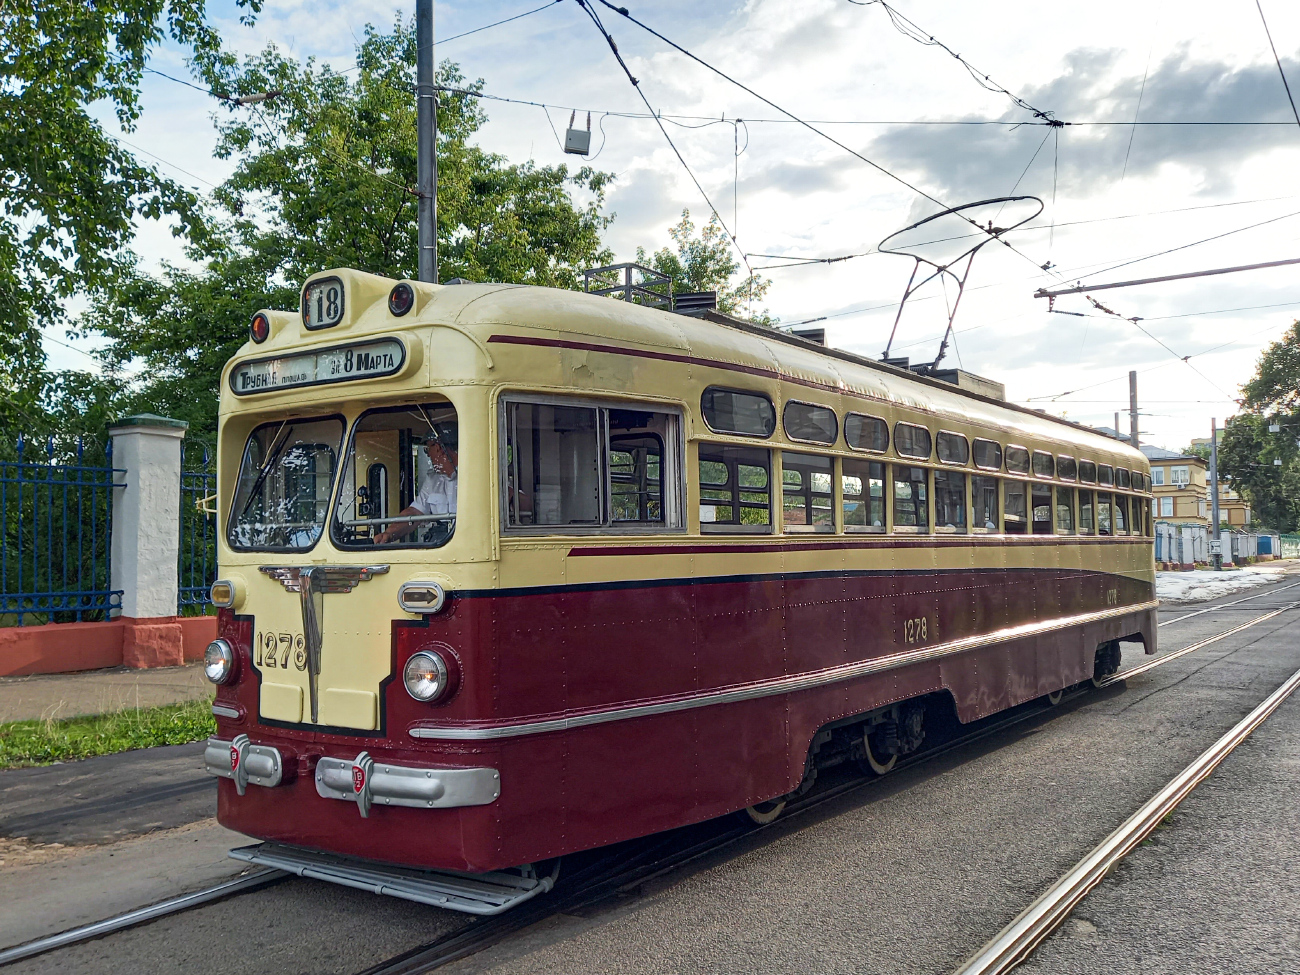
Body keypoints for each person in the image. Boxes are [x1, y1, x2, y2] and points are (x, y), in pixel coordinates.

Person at [374, 429, 457, 544]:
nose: (428, 455)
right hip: (441, 544)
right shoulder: (433, 479)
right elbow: (415, 512)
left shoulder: (473, 476)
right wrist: (389, 534)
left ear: (438, 448)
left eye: (427, 449)